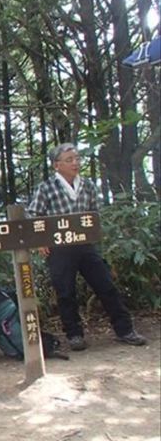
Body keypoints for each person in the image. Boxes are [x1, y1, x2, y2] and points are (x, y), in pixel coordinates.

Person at [27, 142, 147, 351]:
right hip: (59, 248)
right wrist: (40, 241)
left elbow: (95, 214)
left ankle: (125, 330)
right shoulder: (46, 188)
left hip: (85, 245)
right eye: (69, 160)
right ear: (57, 165)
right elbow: (33, 215)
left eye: (77, 159)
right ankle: (74, 335)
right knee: (65, 292)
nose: (75, 163)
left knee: (106, 286)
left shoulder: (88, 185)